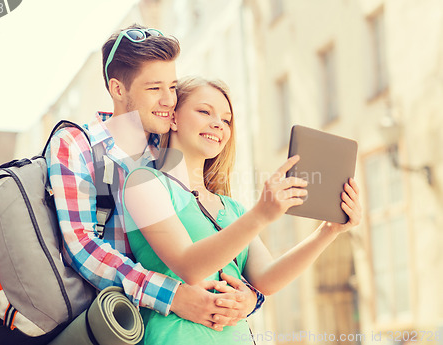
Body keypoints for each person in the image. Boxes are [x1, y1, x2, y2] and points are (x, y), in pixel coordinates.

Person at [45, 24, 264, 332]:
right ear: (118, 89)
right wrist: (173, 296)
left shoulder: (168, 150)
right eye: (154, 89)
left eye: (172, 87)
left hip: (177, 328)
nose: (169, 100)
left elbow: (212, 232)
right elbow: (81, 246)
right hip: (110, 325)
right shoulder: (76, 145)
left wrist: (250, 297)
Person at [122, 76, 362, 344]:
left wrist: (328, 232)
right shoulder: (145, 182)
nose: (218, 124)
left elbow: (267, 280)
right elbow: (189, 266)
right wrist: (260, 215)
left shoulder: (232, 207)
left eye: (226, 120)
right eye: (204, 111)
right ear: (174, 119)